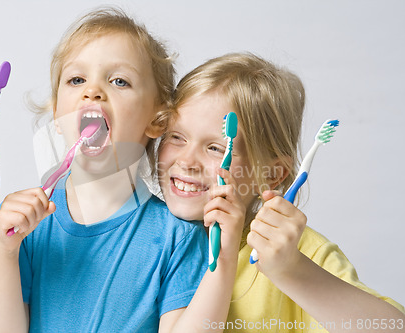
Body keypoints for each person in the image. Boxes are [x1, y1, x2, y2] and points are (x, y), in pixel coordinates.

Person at [0, 7, 209, 332]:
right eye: (76, 79)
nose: (92, 90)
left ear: (157, 119)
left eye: (119, 81)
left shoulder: (178, 239)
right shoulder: (22, 223)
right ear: (56, 112)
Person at [156, 53, 405, 332]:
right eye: (176, 137)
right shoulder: (143, 234)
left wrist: (291, 270)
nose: (187, 161)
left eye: (215, 148)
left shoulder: (294, 250)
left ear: (272, 174)